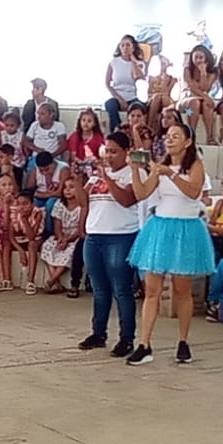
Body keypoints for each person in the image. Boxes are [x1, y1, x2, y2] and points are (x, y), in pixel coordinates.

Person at [122, 120, 212, 364]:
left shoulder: (195, 165)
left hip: (185, 228)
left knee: (182, 290)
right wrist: (135, 170)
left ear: (188, 141)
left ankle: (183, 341)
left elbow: (193, 192)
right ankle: (144, 343)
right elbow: (142, 194)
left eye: (175, 135)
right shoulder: (160, 166)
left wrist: (170, 174)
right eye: (168, 136)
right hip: (161, 227)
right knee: (152, 289)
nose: (169, 139)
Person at [79, 132, 141, 355]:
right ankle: (98, 332)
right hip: (95, 235)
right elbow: (81, 200)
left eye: (114, 151)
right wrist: (79, 178)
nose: (110, 156)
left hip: (120, 235)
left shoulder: (132, 174)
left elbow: (126, 200)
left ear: (126, 152)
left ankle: (127, 338)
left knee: (121, 289)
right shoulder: (96, 177)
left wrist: (107, 178)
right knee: (99, 289)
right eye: (107, 151)